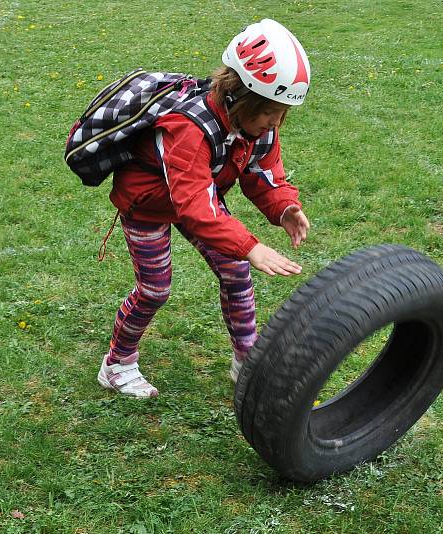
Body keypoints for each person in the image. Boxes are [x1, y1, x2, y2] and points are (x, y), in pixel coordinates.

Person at [98, 19, 311, 397]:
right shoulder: (189, 129)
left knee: (235, 271)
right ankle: (117, 363)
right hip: (148, 203)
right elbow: (195, 205)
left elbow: (265, 173)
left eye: (283, 113)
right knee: (154, 289)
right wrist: (251, 245)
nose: (276, 122)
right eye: (269, 112)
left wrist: (284, 207)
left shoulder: (257, 127)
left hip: (200, 197)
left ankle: (246, 358)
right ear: (240, 97)